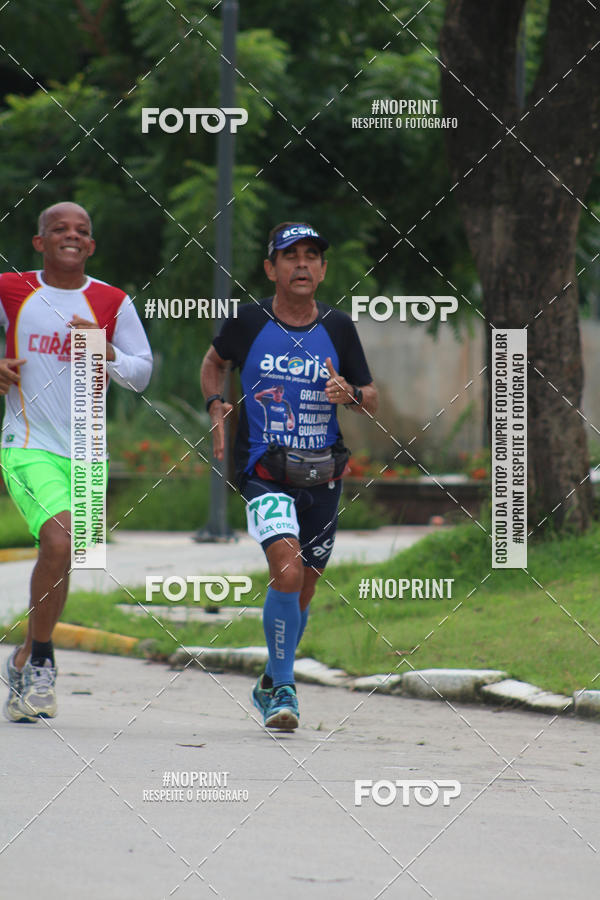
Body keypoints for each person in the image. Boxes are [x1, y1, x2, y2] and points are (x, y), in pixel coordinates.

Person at [201, 222, 378, 731]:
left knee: (304, 589)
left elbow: (372, 397)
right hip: (264, 470)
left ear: (322, 269)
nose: (301, 264)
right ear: (271, 268)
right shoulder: (249, 322)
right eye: (290, 256)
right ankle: (284, 689)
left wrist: (353, 396)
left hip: (324, 473)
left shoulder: (340, 328)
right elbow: (214, 364)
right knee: (287, 568)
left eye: (311, 256)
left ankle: (267, 680)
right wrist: (216, 403)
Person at [0, 201, 152, 723]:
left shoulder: (111, 301)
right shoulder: (11, 289)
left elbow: (142, 373)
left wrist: (107, 352)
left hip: (90, 454)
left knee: (64, 558)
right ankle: (43, 661)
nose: (71, 235)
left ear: (90, 245)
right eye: (58, 229)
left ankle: (22, 658)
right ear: (39, 241)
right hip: (27, 445)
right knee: (58, 540)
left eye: (81, 231)